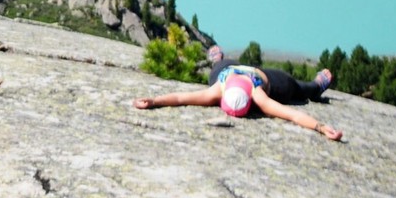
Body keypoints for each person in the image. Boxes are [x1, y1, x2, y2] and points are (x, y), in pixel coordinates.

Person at [132, 45, 342, 141]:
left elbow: (293, 114)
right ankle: (218, 60)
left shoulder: (254, 93)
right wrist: (152, 101)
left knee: (297, 88)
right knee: (221, 66)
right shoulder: (222, 87)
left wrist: (321, 127)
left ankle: (316, 86)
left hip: (263, 78)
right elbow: (178, 98)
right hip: (229, 71)